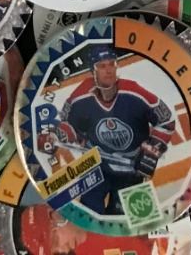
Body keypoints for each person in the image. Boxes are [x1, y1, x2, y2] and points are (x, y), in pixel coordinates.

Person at [51, 48, 175, 216]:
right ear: (93, 71)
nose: (108, 70)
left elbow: (166, 121)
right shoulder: (80, 96)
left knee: (128, 222)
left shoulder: (134, 91)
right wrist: (59, 135)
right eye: (102, 66)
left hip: (131, 170)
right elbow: (69, 125)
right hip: (96, 165)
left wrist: (152, 150)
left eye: (112, 64)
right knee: (88, 216)